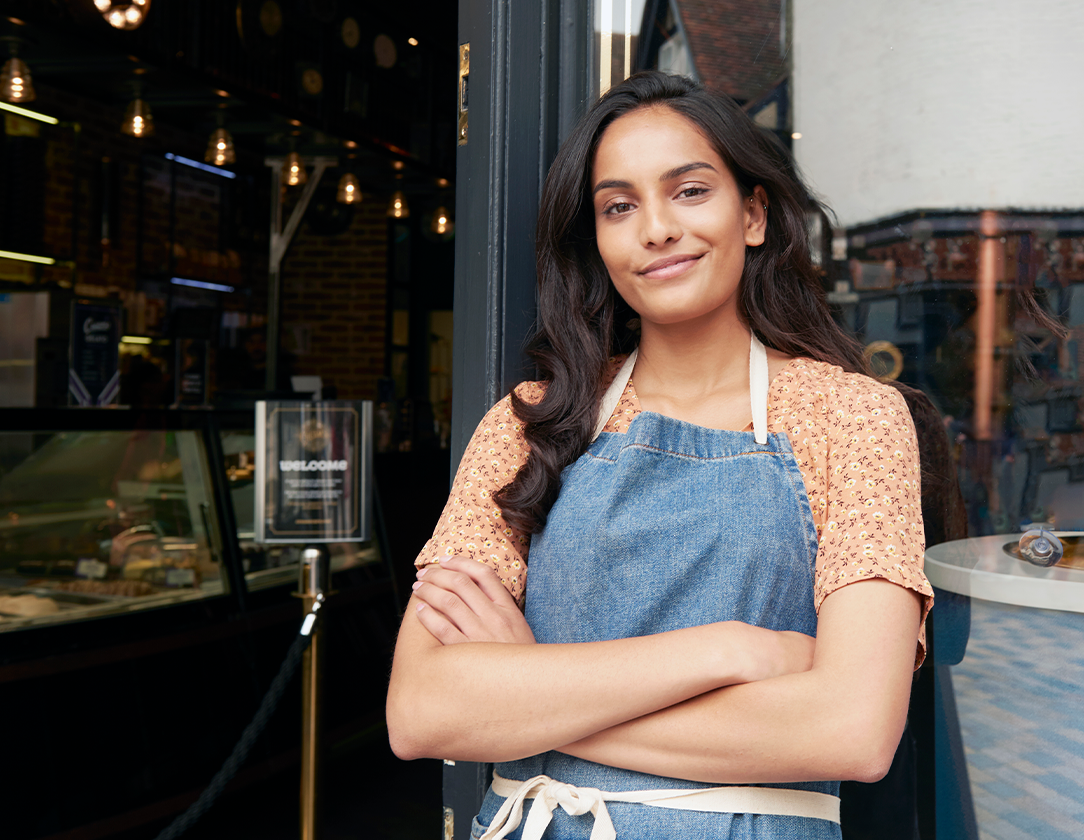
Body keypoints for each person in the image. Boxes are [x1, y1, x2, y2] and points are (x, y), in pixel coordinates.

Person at [385, 71, 934, 840]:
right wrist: (731, 650)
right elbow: (420, 711)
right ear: (598, 242)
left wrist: (532, 696)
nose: (656, 229)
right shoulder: (527, 425)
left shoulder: (855, 419)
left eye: (689, 191)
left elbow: (853, 730)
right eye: (619, 206)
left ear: (752, 214)